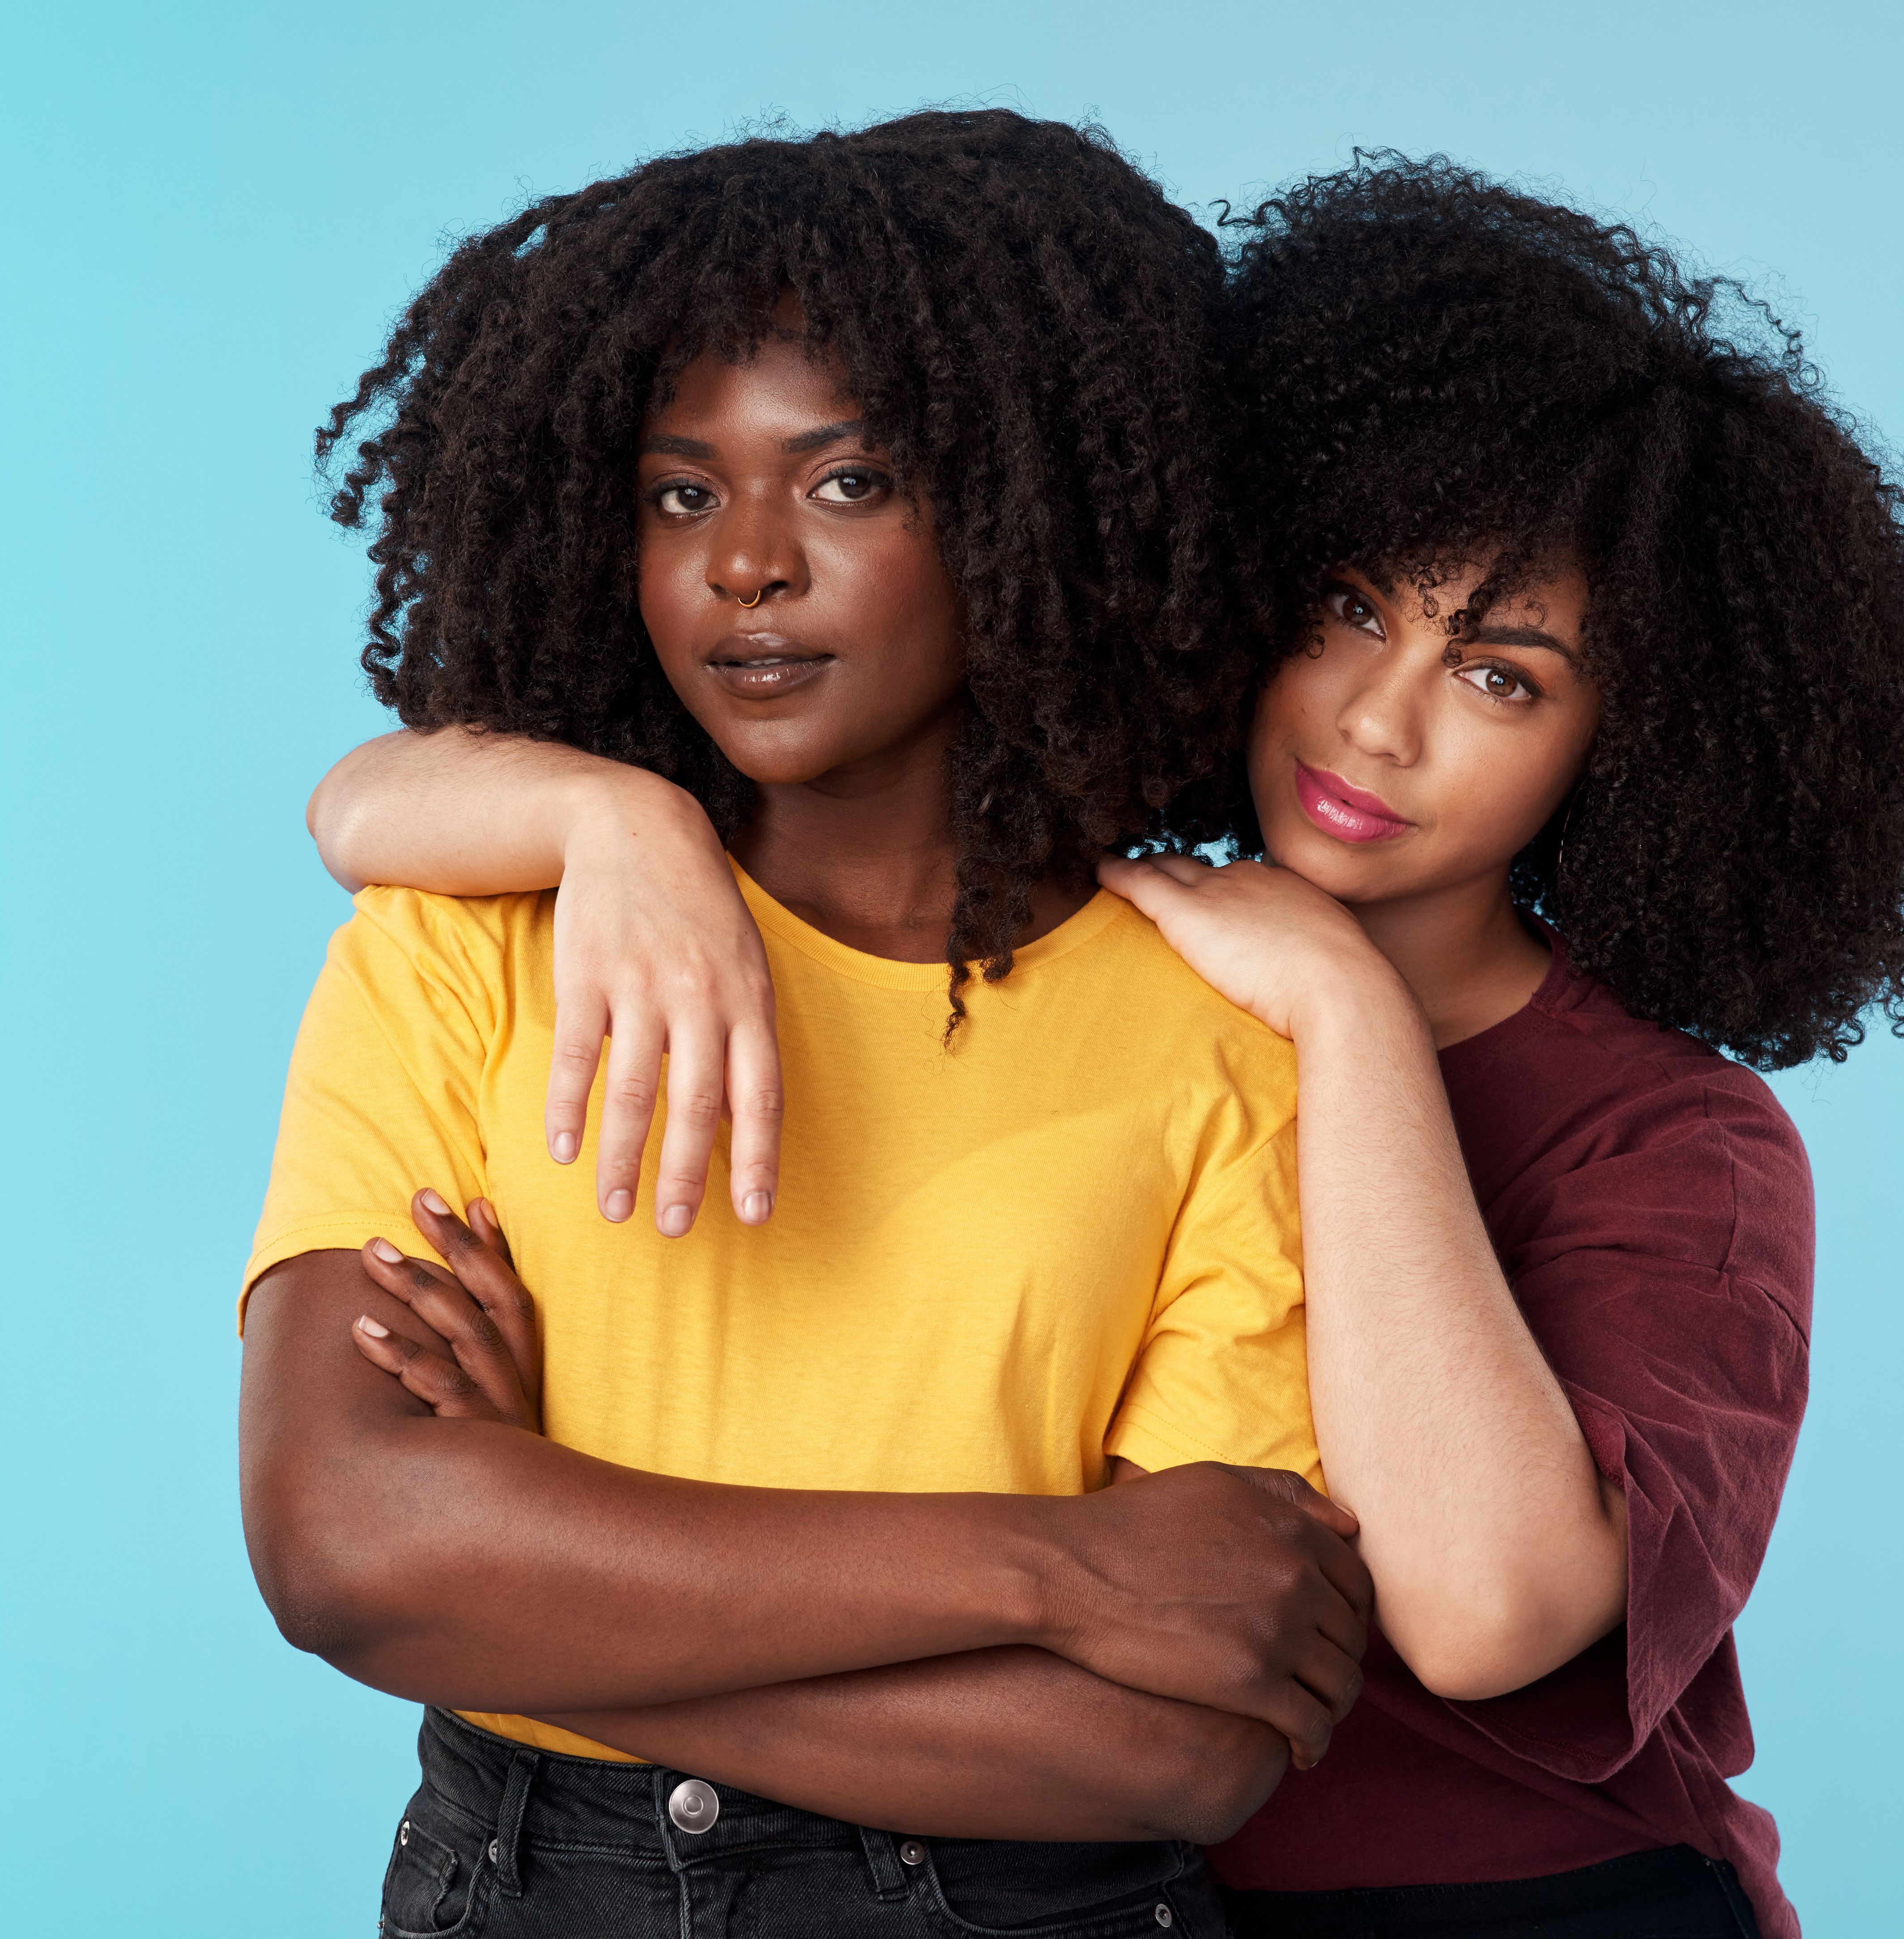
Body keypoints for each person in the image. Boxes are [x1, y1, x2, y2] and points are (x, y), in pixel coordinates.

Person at [315, 158, 1904, 1939]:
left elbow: (1481, 1616)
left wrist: (1348, 1017)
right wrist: (614, 822)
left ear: (1638, 746)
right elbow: (359, 808)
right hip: (1081, 1886)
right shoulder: (1095, 949)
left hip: (1524, 1903)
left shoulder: (1669, 1143)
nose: (1378, 719)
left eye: (1499, 677)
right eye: (1347, 607)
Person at [239, 112, 1378, 1939]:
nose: (744, 565)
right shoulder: (465, 939)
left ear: (1028, 506)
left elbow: (1180, 1746)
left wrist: (527, 1577)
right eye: (680, 494)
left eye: (845, 483)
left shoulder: (1217, 1027)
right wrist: (1060, 1569)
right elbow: (345, 1544)